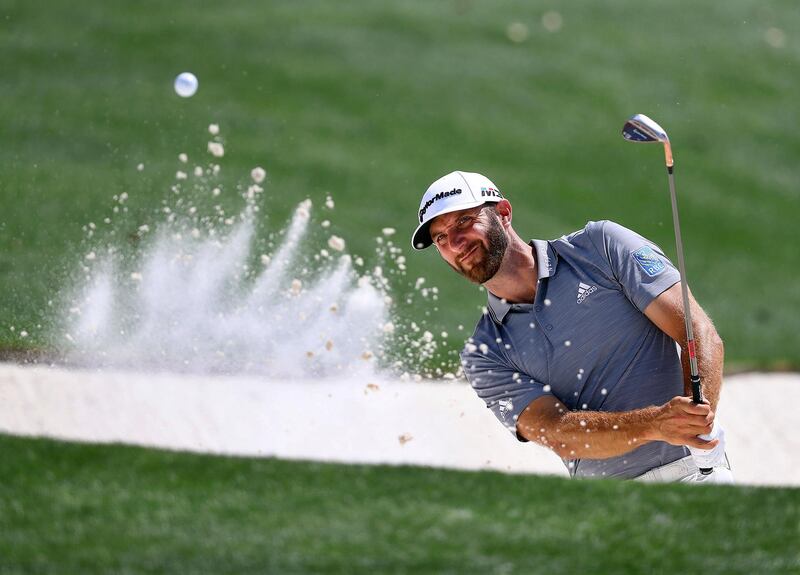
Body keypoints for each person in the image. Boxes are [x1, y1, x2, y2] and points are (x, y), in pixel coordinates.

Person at [411, 170, 733, 482]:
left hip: (693, 472)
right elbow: (556, 432)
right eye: (441, 238)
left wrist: (695, 419)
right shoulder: (484, 354)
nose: (455, 243)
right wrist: (655, 424)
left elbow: (697, 333)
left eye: (464, 221)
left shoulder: (601, 247)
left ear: (504, 213)